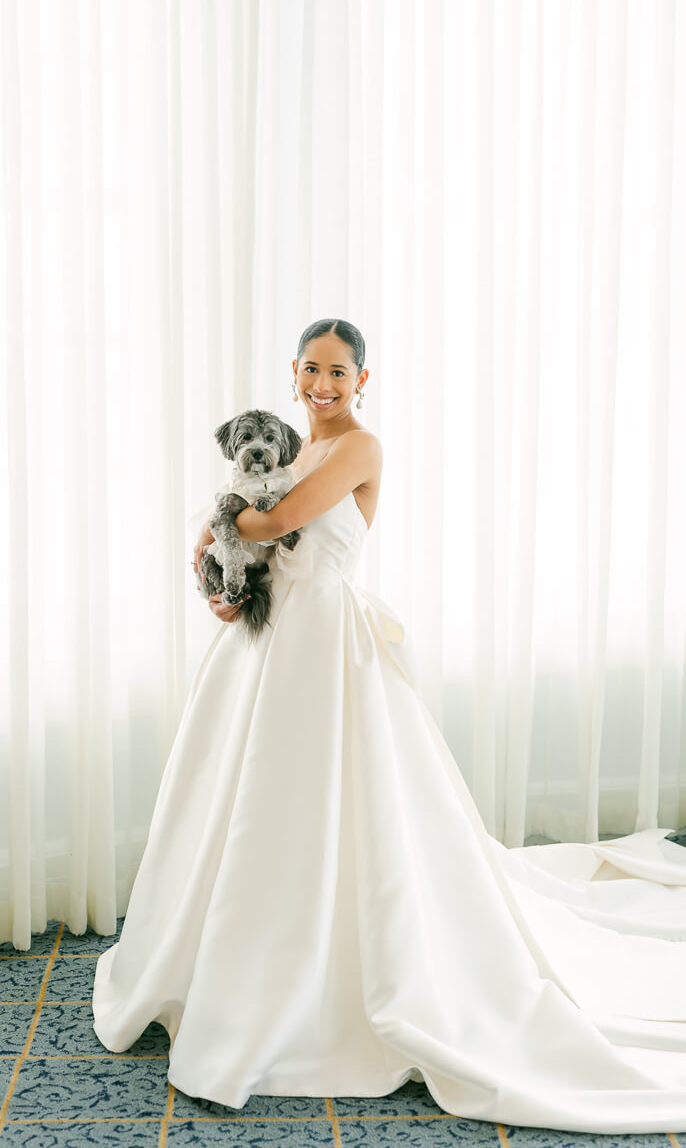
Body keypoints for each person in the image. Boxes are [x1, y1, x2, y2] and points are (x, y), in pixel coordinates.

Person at [93, 319, 686, 1132]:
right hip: (263, 641)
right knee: (238, 802)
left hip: (326, 644)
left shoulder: (357, 451)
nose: (322, 385)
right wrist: (221, 584)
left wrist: (224, 520)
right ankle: (224, 968)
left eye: (338, 372)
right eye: (310, 370)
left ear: (362, 380)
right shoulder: (288, 447)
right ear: (293, 374)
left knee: (323, 802)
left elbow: (273, 522)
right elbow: (234, 543)